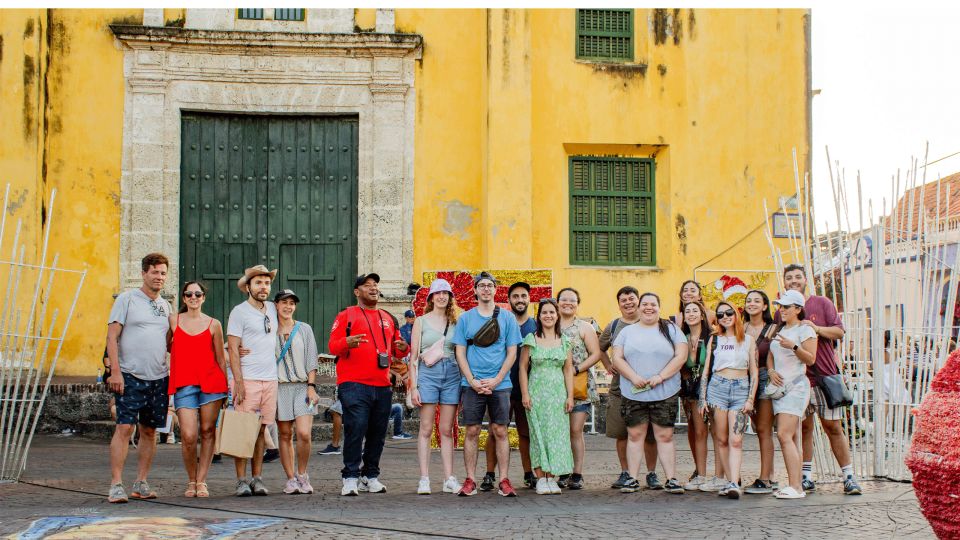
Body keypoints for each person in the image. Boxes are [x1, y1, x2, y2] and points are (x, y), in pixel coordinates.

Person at [781, 263, 863, 495]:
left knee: (832, 427)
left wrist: (816, 328)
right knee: (804, 428)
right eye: (789, 278)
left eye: (798, 277)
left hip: (824, 376)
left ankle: (848, 476)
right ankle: (806, 476)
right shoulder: (784, 309)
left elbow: (839, 331)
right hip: (798, 380)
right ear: (784, 282)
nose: (794, 280)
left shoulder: (821, 303)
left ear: (806, 280)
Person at [328, 273, 410, 496]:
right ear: (357, 292)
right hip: (353, 383)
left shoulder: (388, 317)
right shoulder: (347, 315)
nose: (373, 288)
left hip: (382, 384)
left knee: (378, 432)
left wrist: (403, 348)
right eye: (367, 285)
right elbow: (333, 346)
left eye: (376, 285)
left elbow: (396, 350)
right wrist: (347, 341)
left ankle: (370, 475)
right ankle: (350, 476)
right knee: (356, 428)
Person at [105, 253, 172, 503]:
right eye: (154, 272)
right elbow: (112, 337)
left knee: (150, 431)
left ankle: (141, 482)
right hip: (130, 375)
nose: (159, 277)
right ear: (144, 273)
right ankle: (116, 484)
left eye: (163, 273)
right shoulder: (127, 299)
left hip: (158, 377)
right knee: (124, 427)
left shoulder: (165, 306)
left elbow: (169, 342)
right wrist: (115, 372)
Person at [451, 271, 522, 497]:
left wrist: (498, 379)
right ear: (475, 290)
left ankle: (504, 479)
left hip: (500, 384)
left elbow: (512, 352)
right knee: (471, 430)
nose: (485, 289)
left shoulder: (508, 318)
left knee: (500, 430)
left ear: (495, 289)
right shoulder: (465, 319)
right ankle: (470, 478)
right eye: (481, 285)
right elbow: (460, 351)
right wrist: (471, 380)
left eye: (489, 285)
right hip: (471, 384)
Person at [611, 292, 688, 494]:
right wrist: (633, 376)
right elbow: (616, 358)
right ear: (639, 307)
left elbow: (681, 356)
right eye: (645, 304)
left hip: (665, 391)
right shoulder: (627, 332)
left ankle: (671, 478)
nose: (648, 308)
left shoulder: (671, 329)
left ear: (659, 307)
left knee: (665, 435)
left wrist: (661, 376)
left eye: (653, 304)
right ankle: (632, 478)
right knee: (635, 435)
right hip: (633, 391)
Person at [167, 281, 228, 499]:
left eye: (198, 294)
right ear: (183, 298)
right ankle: (190, 479)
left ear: (203, 297)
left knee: (208, 431)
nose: (193, 297)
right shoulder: (173, 320)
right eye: (189, 294)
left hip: (212, 384)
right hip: (184, 383)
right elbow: (167, 347)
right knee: (188, 435)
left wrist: (228, 389)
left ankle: (201, 481)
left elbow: (221, 357)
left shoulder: (214, 324)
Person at [598, 286, 661, 490]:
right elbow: (599, 348)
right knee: (621, 433)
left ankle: (651, 473)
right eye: (623, 300)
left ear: (639, 301)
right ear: (619, 304)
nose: (628, 303)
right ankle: (625, 472)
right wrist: (607, 365)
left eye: (632, 299)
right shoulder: (614, 325)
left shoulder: (652, 323)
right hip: (619, 389)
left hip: (648, 388)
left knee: (650, 434)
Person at [226, 264, 280, 497]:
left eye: (267, 283)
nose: (263, 287)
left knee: (261, 430)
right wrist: (238, 380)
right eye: (258, 283)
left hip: (270, 379)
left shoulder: (272, 308)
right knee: (243, 431)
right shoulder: (239, 312)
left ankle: (257, 478)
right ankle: (241, 480)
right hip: (247, 379)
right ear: (248, 287)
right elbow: (233, 347)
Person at [698, 300, 758, 499]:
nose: (725, 317)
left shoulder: (748, 340)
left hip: (741, 389)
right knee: (721, 439)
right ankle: (727, 481)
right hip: (718, 389)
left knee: (736, 439)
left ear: (736, 313)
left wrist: (750, 399)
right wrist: (702, 398)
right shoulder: (715, 339)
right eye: (721, 314)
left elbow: (754, 372)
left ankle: (734, 482)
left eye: (729, 312)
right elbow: (706, 369)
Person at [408, 278, 462, 495]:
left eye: (445, 293)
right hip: (428, 373)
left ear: (450, 297)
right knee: (426, 428)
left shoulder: (457, 321)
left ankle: (449, 477)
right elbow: (413, 357)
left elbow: (462, 351)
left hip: (452, 372)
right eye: (437, 293)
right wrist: (413, 387)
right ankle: (424, 478)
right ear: (431, 297)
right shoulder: (421, 321)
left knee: (447, 429)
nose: (441, 296)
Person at [482, 281, 537, 490]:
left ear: (529, 299)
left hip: (527, 390)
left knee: (525, 433)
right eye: (516, 296)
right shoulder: (501, 322)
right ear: (509, 300)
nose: (520, 300)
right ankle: (489, 474)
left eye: (524, 296)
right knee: (496, 431)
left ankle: (528, 473)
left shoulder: (536, 326)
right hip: (500, 386)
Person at [520, 298, 575, 495]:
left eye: (552, 312)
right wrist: (525, 393)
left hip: (558, 396)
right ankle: (540, 477)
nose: (549, 316)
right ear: (539, 316)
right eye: (545, 312)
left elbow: (568, 370)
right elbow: (523, 367)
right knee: (538, 435)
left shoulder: (565, 341)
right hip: (537, 395)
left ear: (557, 315)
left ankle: (552, 477)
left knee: (557, 435)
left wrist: (570, 396)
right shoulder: (531, 339)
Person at [767, 289, 818, 499]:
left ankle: (796, 486)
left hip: (796, 387)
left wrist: (794, 346)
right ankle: (796, 485)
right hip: (780, 387)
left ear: (798, 309)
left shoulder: (804, 331)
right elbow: (771, 355)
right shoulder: (779, 329)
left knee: (784, 434)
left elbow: (810, 359)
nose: (782, 310)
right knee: (792, 437)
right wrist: (770, 371)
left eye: (786, 306)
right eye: (780, 306)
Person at [273, 289, 320, 495]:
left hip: (303, 387)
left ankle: (303, 474)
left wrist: (312, 386)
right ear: (276, 305)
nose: (288, 306)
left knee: (304, 433)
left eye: (292, 303)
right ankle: (290, 478)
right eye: (284, 302)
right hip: (280, 387)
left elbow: (312, 358)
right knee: (284, 434)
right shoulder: (269, 330)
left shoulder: (304, 329)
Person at [556, 287, 603, 490]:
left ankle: (577, 472)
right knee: (560, 430)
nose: (568, 303)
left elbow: (595, 354)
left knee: (575, 430)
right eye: (564, 299)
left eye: (572, 300)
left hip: (578, 384)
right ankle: (562, 470)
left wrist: (575, 369)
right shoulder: (550, 324)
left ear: (578, 303)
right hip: (554, 385)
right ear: (557, 302)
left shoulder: (585, 327)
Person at [742, 289, 779, 494]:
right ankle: (771, 474)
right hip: (745, 379)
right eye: (749, 300)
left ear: (765, 306)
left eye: (757, 301)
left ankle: (765, 478)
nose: (752, 303)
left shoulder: (773, 328)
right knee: (757, 429)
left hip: (765, 378)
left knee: (765, 429)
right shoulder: (740, 327)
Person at [678, 301, 715, 492]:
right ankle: (701, 474)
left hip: (713, 388)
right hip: (692, 390)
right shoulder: (682, 338)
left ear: (702, 316)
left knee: (719, 433)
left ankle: (725, 475)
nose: (691, 314)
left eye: (695, 311)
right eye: (687, 311)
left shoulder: (712, 336)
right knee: (699, 432)